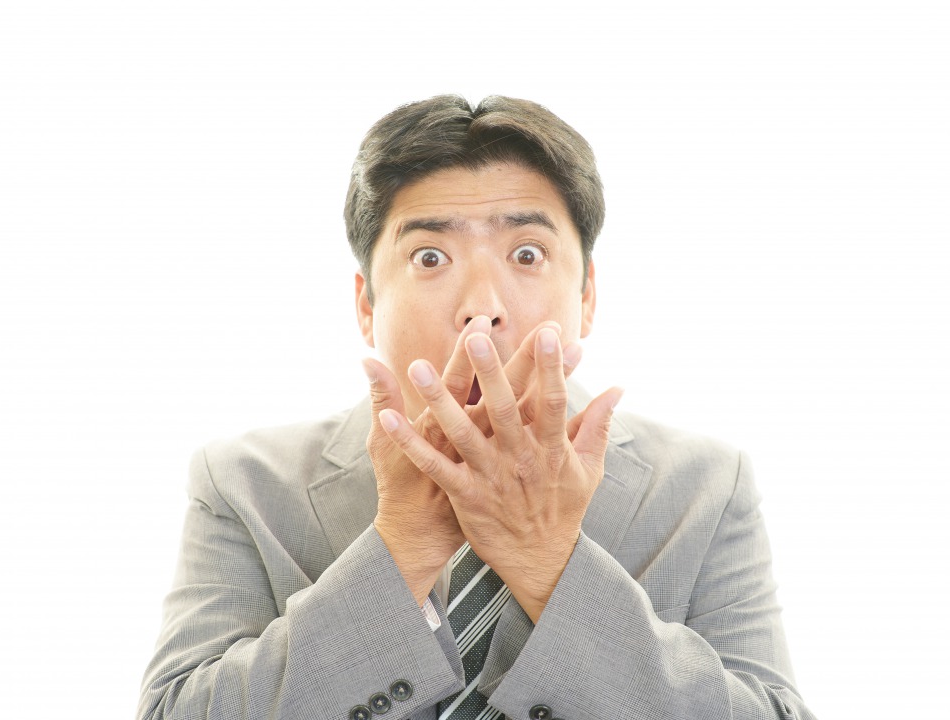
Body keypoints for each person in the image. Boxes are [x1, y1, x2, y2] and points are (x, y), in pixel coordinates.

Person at [139, 95, 817, 720]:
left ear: (586, 298)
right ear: (366, 304)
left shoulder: (705, 487)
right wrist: (402, 548)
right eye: (430, 257)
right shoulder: (244, 484)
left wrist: (549, 564)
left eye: (527, 253)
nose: (482, 308)